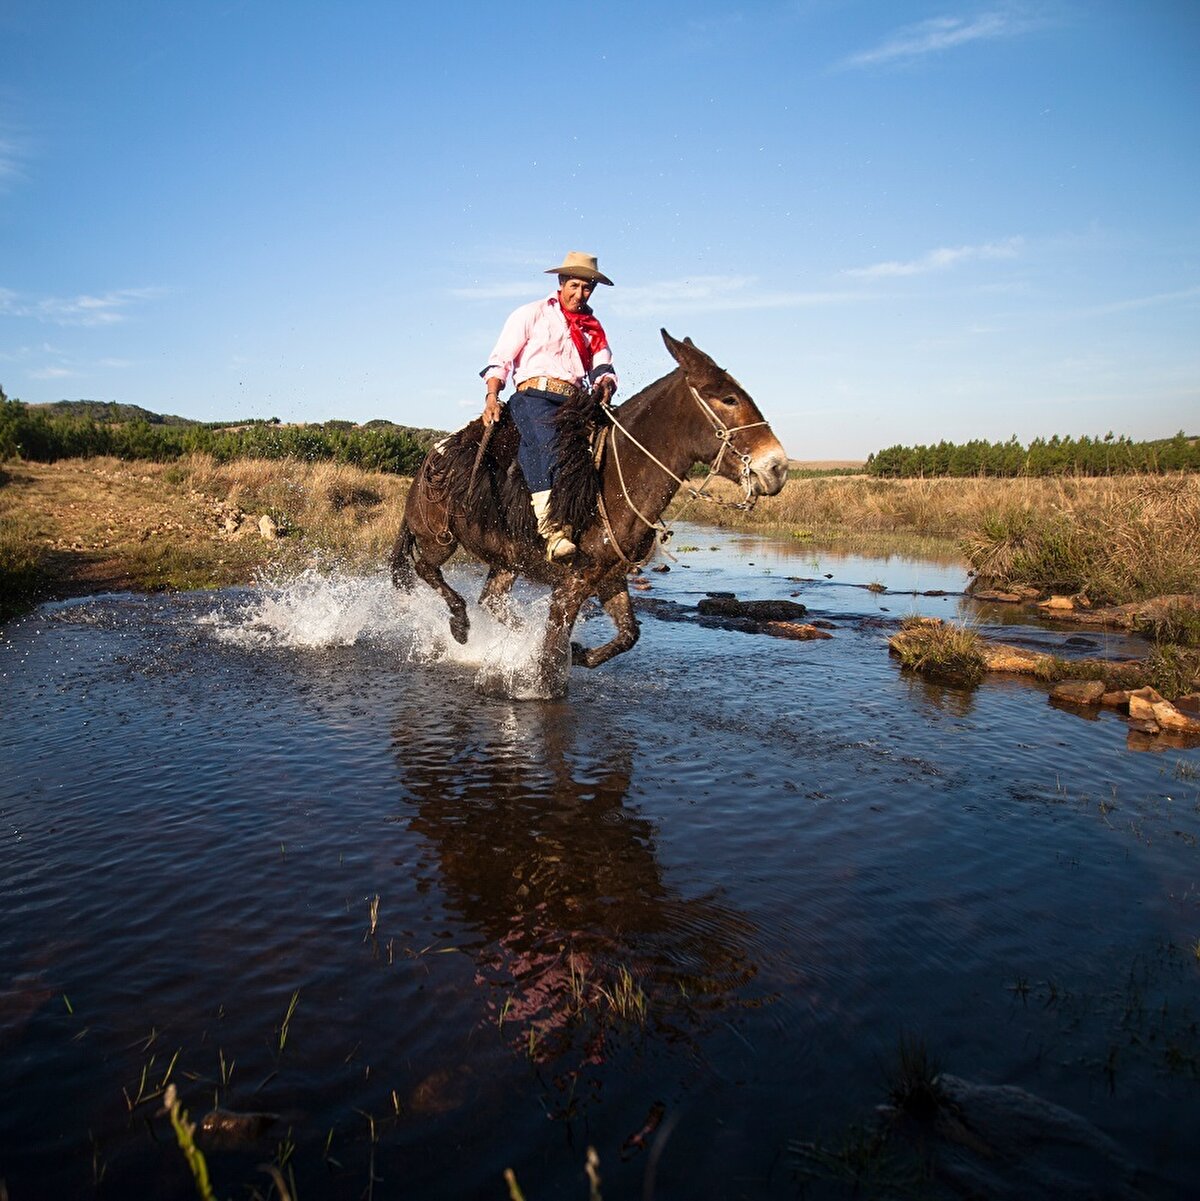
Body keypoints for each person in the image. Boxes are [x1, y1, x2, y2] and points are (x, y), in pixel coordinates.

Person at [480, 251, 618, 561]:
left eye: (586, 288)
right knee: (548, 443)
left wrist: (605, 383)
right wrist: (492, 396)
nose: (579, 294)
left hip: (576, 400)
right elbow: (500, 359)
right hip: (534, 396)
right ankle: (553, 529)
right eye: (574, 286)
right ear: (561, 282)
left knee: (611, 448)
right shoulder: (531, 314)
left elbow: (602, 365)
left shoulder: (592, 328)